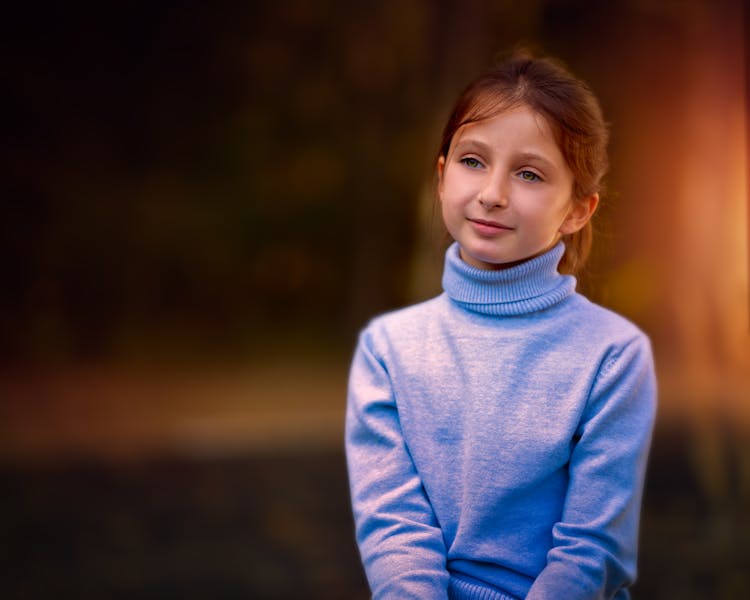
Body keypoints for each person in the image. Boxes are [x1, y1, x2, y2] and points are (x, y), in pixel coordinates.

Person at [345, 50, 657, 599]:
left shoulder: (613, 355)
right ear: (441, 178)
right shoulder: (388, 349)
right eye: (472, 161)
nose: (492, 193)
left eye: (529, 173)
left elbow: (591, 550)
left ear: (578, 210)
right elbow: (395, 532)